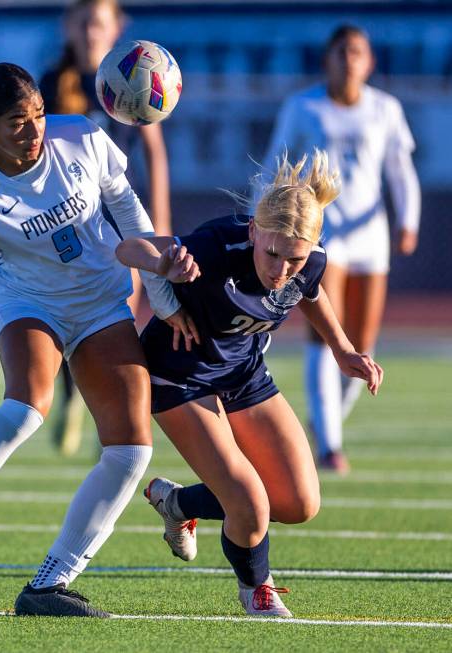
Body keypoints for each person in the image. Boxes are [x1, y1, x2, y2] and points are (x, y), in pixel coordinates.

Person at [0, 62, 189, 618]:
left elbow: (130, 214)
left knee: (131, 451)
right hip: (29, 302)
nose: (33, 131)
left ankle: (49, 585)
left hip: (102, 301)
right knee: (26, 408)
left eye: (37, 115)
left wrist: (162, 296)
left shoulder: (82, 135)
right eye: (16, 122)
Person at [115, 150, 383, 617]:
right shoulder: (217, 245)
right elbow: (128, 248)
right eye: (272, 253)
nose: (281, 270)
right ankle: (256, 588)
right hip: (181, 376)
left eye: (294, 259)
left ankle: (176, 503)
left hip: (243, 375)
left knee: (299, 503)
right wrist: (165, 266)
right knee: (251, 506)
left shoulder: (310, 262)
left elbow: (311, 293)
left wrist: (342, 349)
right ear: (254, 231)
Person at [263, 25, 420, 473]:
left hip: (371, 236)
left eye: (357, 52)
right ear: (327, 59)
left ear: (369, 62)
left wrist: (408, 221)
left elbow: (401, 171)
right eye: (341, 52)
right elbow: (278, 159)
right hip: (321, 235)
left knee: (361, 344)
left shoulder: (385, 110)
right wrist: (266, 218)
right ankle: (330, 445)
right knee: (325, 336)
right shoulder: (303, 106)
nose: (349, 60)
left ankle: (325, 418)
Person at [40, 0, 173, 453]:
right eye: (84, 23)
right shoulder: (53, 84)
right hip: (66, 224)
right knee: (67, 317)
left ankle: (112, 420)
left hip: (119, 223)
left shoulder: (133, 76)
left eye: (99, 23)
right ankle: (71, 397)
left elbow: (153, 150)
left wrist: (159, 221)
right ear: (69, 27)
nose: (91, 32)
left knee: (120, 318)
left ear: (117, 28)